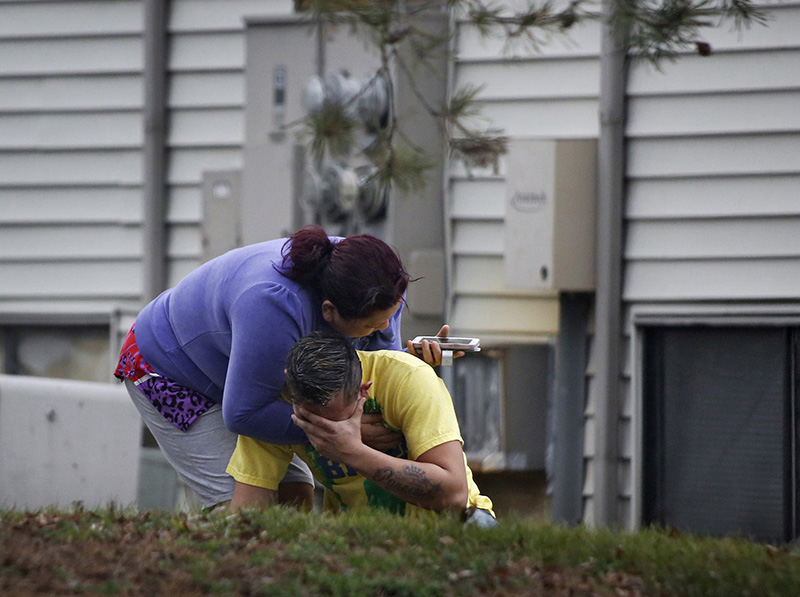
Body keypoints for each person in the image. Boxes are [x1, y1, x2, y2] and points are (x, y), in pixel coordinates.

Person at [114, 225, 452, 510]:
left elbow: (373, 370)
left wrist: (409, 367)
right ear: (329, 312)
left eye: (390, 317)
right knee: (241, 503)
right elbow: (244, 413)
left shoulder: (369, 277)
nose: (386, 330)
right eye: (371, 328)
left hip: (238, 369)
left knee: (295, 495)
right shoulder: (272, 304)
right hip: (167, 368)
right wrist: (345, 434)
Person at [227, 331, 497, 526]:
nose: (329, 431)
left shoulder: (409, 378)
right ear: (292, 398)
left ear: (363, 391)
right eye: (316, 423)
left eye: (337, 421)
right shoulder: (275, 406)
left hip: (456, 524)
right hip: (360, 536)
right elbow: (247, 513)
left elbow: (454, 495)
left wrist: (351, 452)